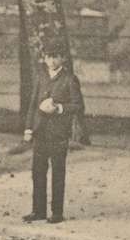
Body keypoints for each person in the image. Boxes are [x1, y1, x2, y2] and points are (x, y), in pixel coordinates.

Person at [22, 38, 84, 224]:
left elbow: (78, 106)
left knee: (58, 171)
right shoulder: (41, 77)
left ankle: (57, 212)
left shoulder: (69, 79)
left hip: (58, 133)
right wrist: (28, 128)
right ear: (44, 58)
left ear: (63, 59)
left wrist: (59, 108)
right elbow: (33, 105)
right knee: (38, 172)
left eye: (55, 57)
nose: (52, 61)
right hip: (40, 132)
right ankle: (38, 210)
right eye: (48, 57)